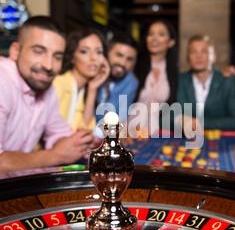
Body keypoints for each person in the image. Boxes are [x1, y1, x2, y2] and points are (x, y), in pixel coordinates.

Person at [0, 16, 93, 172]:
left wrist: (76, 143)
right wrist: (55, 155)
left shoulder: (46, 88)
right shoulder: (3, 80)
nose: (48, 65)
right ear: (15, 51)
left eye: (57, 56)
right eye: (39, 51)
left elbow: (58, 134)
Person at [176, 34, 235, 134]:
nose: (198, 56)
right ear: (188, 57)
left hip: (221, 141)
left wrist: (198, 123)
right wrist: (179, 120)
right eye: (193, 52)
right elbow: (165, 118)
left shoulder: (228, 81)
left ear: (213, 56)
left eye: (204, 51)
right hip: (186, 141)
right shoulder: (179, 81)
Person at [53, 27, 110, 130]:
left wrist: (93, 88)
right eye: (84, 51)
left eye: (99, 52)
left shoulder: (84, 90)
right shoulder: (59, 84)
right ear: (72, 57)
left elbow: (85, 131)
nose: (93, 58)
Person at [134, 20, 178, 134]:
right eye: (150, 34)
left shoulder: (175, 73)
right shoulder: (134, 65)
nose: (154, 38)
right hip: (130, 134)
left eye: (161, 34)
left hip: (158, 134)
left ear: (171, 42)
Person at [96, 32, 138, 123]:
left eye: (129, 59)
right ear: (107, 53)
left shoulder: (131, 82)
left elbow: (120, 118)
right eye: (119, 55)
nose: (123, 63)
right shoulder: (92, 71)